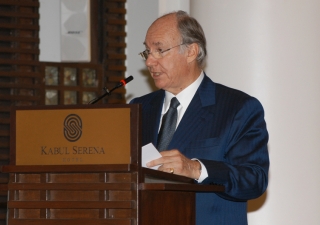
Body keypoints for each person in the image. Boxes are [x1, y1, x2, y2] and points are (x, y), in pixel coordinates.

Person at [130, 10, 269, 225]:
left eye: (159, 50)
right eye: (147, 51)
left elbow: (254, 180)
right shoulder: (139, 108)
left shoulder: (238, 108)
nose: (149, 61)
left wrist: (196, 169)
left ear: (191, 51)